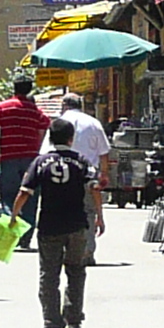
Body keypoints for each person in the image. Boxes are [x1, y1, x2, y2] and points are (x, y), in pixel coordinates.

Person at [14, 117, 97, 328]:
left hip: (49, 226)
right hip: (77, 225)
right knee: (76, 271)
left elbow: (25, 191)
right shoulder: (81, 161)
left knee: (49, 275)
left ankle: (51, 325)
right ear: (71, 139)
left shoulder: (40, 162)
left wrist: (14, 216)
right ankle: (74, 321)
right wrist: (99, 216)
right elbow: (94, 187)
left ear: (50, 138)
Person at [0, 72, 50, 212]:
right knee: (29, 195)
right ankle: (26, 231)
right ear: (29, 89)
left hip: (9, 157)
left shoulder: (3, 107)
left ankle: (11, 227)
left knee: (8, 197)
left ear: (14, 88)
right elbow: (42, 133)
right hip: (31, 159)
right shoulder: (37, 111)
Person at [52, 91, 110, 232]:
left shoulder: (57, 124)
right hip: (87, 175)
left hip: (61, 175)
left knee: (61, 212)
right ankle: (87, 251)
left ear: (64, 105)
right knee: (88, 212)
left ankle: (65, 247)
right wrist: (104, 173)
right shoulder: (93, 123)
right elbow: (103, 152)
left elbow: (46, 152)